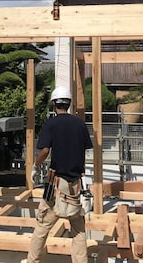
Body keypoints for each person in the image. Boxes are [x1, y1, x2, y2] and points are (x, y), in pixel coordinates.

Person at [27, 86, 93, 263]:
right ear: (69, 104)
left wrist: (35, 166)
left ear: (54, 104)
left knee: (43, 225)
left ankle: (33, 261)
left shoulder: (51, 124)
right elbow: (83, 149)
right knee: (78, 230)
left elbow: (45, 150)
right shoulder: (80, 124)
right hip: (75, 184)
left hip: (55, 183)